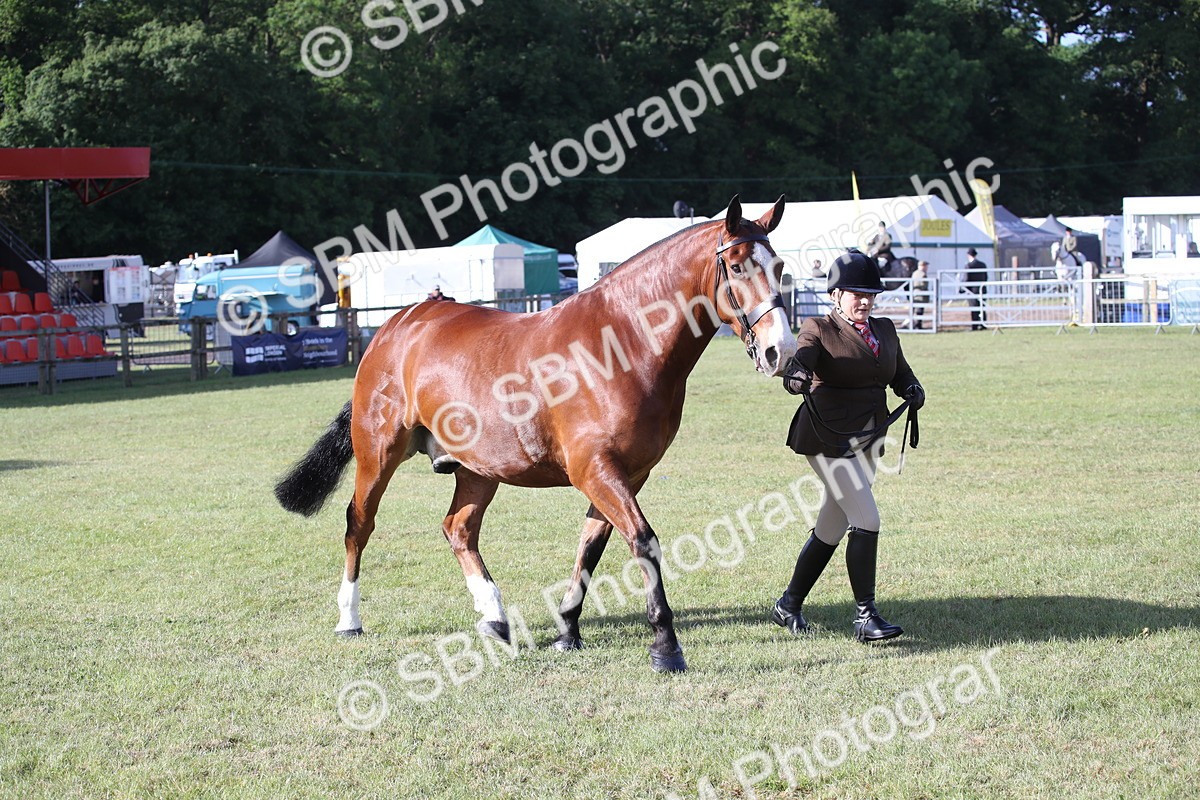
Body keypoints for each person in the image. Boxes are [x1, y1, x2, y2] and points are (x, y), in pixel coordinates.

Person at [773, 249, 924, 643]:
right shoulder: (818, 328)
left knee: (832, 525)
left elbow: (899, 372)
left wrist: (911, 388)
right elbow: (801, 360)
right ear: (835, 295)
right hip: (826, 439)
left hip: (870, 438)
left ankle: (788, 604)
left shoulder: (885, 330)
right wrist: (797, 376)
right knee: (867, 519)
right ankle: (865, 616)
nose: (865, 300)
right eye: (856, 293)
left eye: (870, 294)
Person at [964, 248, 987, 330]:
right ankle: (983, 324)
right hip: (982, 289)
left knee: (974, 308)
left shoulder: (968, 266)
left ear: (969, 255)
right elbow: (985, 277)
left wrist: (963, 289)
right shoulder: (983, 265)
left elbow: (966, 279)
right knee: (982, 307)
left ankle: (975, 325)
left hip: (972, 291)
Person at [911, 260, 930, 329]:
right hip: (921, 295)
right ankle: (917, 325)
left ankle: (914, 325)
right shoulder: (923, 274)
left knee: (915, 310)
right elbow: (924, 285)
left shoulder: (914, 273)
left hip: (914, 294)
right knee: (919, 311)